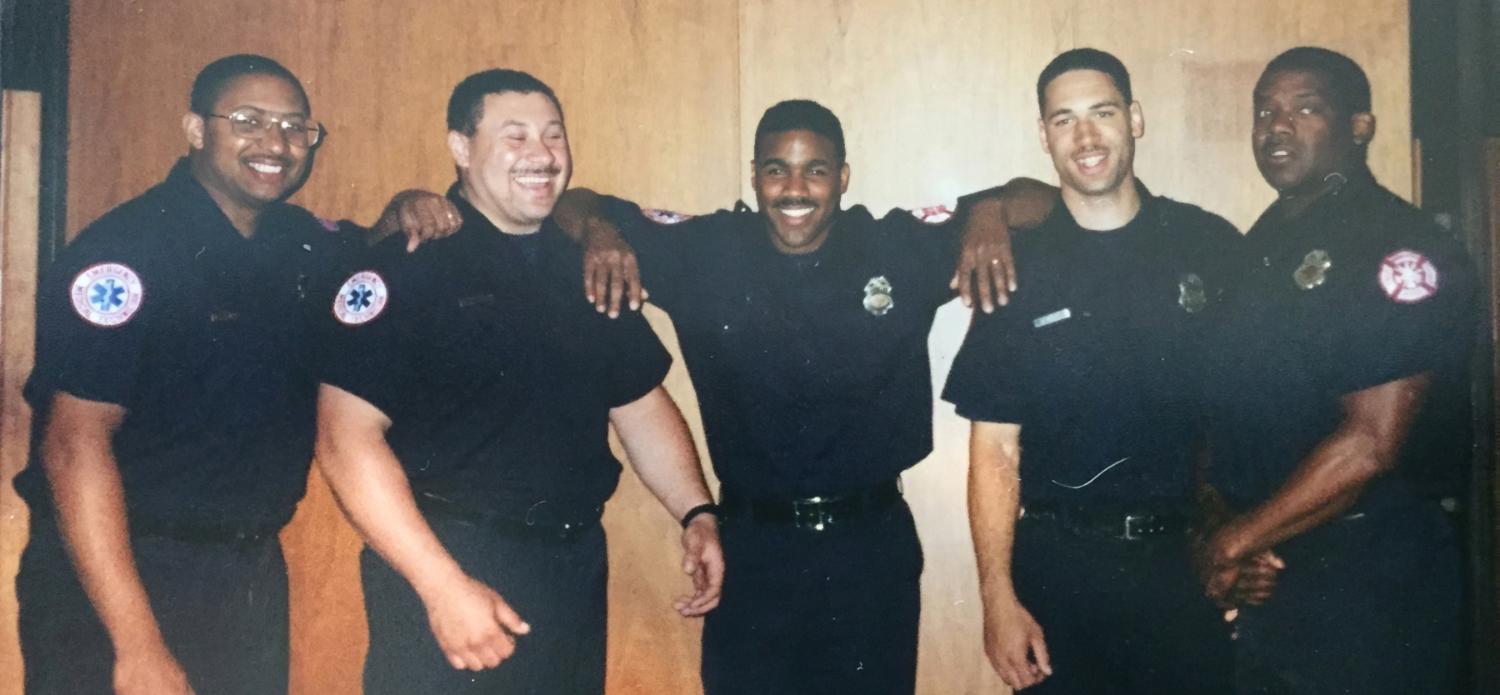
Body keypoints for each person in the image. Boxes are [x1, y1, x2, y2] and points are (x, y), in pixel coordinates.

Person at [550, 99, 1045, 695]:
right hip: (752, 548)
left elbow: (1040, 199)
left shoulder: (893, 246)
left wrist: (987, 213)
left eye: (815, 170)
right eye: (776, 169)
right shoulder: (706, 251)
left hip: (870, 545)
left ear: (843, 177)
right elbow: (568, 204)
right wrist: (601, 230)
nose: (794, 188)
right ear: (754, 175)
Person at [13, 54, 457, 695]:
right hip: (121, 579)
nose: (276, 143)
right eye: (248, 121)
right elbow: (72, 446)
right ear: (195, 129)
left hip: (245, 576)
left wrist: (404, 207)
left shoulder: (297, 241)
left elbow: (367, 248)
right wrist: (137, 646)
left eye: (295, 127)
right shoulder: (128, 253)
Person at [311, 68, 724, 695]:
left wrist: (696, 512)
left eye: (554, 135)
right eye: (516, 136)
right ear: (460, 147)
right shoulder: (409, 264)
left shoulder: (582, 267)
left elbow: (638, 404)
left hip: (571, 570)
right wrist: (442, 588)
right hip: (451, 568)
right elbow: (345, 439)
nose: (543, 154)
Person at [942, 48, 1239, 693]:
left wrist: (1243, 539)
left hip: (1181, 568)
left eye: (1102, 112)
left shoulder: (1208, 245)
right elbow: (995, 449)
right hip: (1058, 574)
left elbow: (1246, 410)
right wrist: (996, 597)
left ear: (1135, 119)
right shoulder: (1015, 266)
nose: (1085, 136)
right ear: (1043, 136)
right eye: (1064, 119)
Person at [1195, 46, 1472, 694]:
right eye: (1265, 111)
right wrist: (1226, 532)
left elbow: (1370, 443)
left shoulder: (1397, 247)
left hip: (1369, 581)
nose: (1277, 126)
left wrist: (1231, 544)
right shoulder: (1262, 245)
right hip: (1270, 568)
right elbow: (1224, 410)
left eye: (1306, 108)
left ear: (1360, 126)